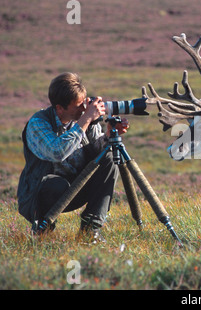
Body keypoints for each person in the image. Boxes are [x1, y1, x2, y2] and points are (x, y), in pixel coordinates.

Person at [17, 72, 129, 242]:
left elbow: (97, 153)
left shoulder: (84, 120)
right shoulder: (38, 123)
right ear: (59, 108)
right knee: (56, 184)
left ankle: (90, 232)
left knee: (109, 157)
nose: (83, 110)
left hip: (76, 187)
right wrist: (85, 120)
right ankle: (44, 231)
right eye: (78, 106)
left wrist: (109, 136)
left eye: (83, 104)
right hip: (40, 194)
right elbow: (57, 152)